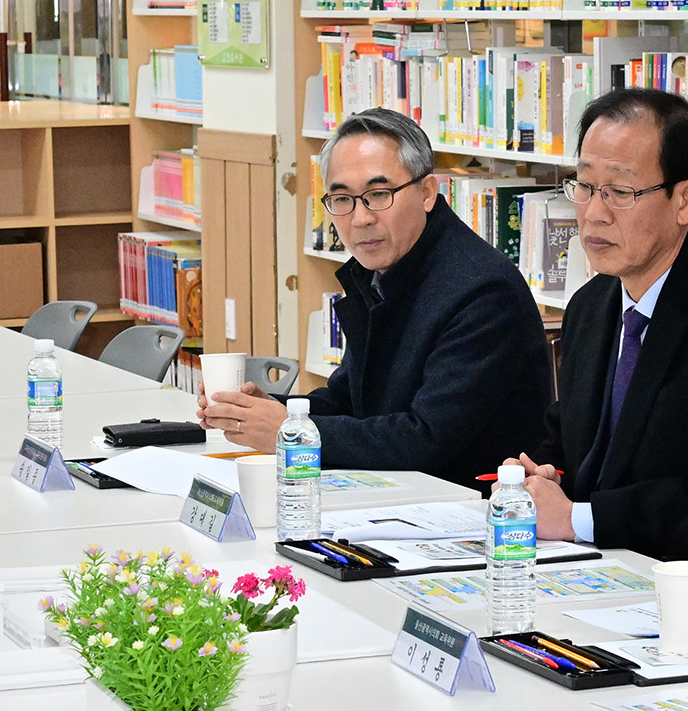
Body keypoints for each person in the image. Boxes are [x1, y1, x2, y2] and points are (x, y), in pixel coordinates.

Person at [503, 87, 688, 563]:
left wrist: (578, 519)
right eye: (583, 186)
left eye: (620, 192)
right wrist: (540, 477)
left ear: (685, 200)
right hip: (583, 574)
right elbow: (565, 441)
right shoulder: (589, 304)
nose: (594, 212)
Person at [202, 107, 547, 482]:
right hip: (394, 494)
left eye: (379, 194)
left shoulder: (482, 291)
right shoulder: (384, 270)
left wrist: (293, 432)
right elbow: (348, 400)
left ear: (428, 192)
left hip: (470, 510)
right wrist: (263, 412)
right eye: (342, 199)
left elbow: (428, 439)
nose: (361, 218)